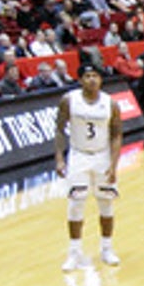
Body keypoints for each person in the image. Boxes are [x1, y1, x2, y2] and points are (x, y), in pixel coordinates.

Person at [55, 65, 122, 271]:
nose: (92, 79)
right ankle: (74, 253)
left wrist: (113, 163)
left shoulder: (110, 103)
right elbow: (59, 129)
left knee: (106, 203)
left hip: (102, 155)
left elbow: (117, 134)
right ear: (80, 79)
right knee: (76, 203)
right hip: (78, 155)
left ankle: (107, 248)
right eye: (87, 76)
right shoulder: (69, 100)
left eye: (95, 76)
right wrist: (59, 157)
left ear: (101, 80)